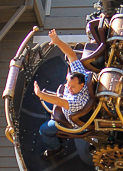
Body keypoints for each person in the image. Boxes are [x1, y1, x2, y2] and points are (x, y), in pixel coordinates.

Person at [33, 30, 92, 158]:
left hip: (70, 120)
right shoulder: (81, 75)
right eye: (67, 83)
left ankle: (55, 148)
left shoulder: (77, 100)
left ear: (81, 86)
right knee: (47, 102)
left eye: (72, 86)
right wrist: (57, 41)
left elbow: (59, 102)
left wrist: (40, 94)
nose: (68, 87)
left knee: (43, 130)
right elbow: (71, 54)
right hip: (64, 105)